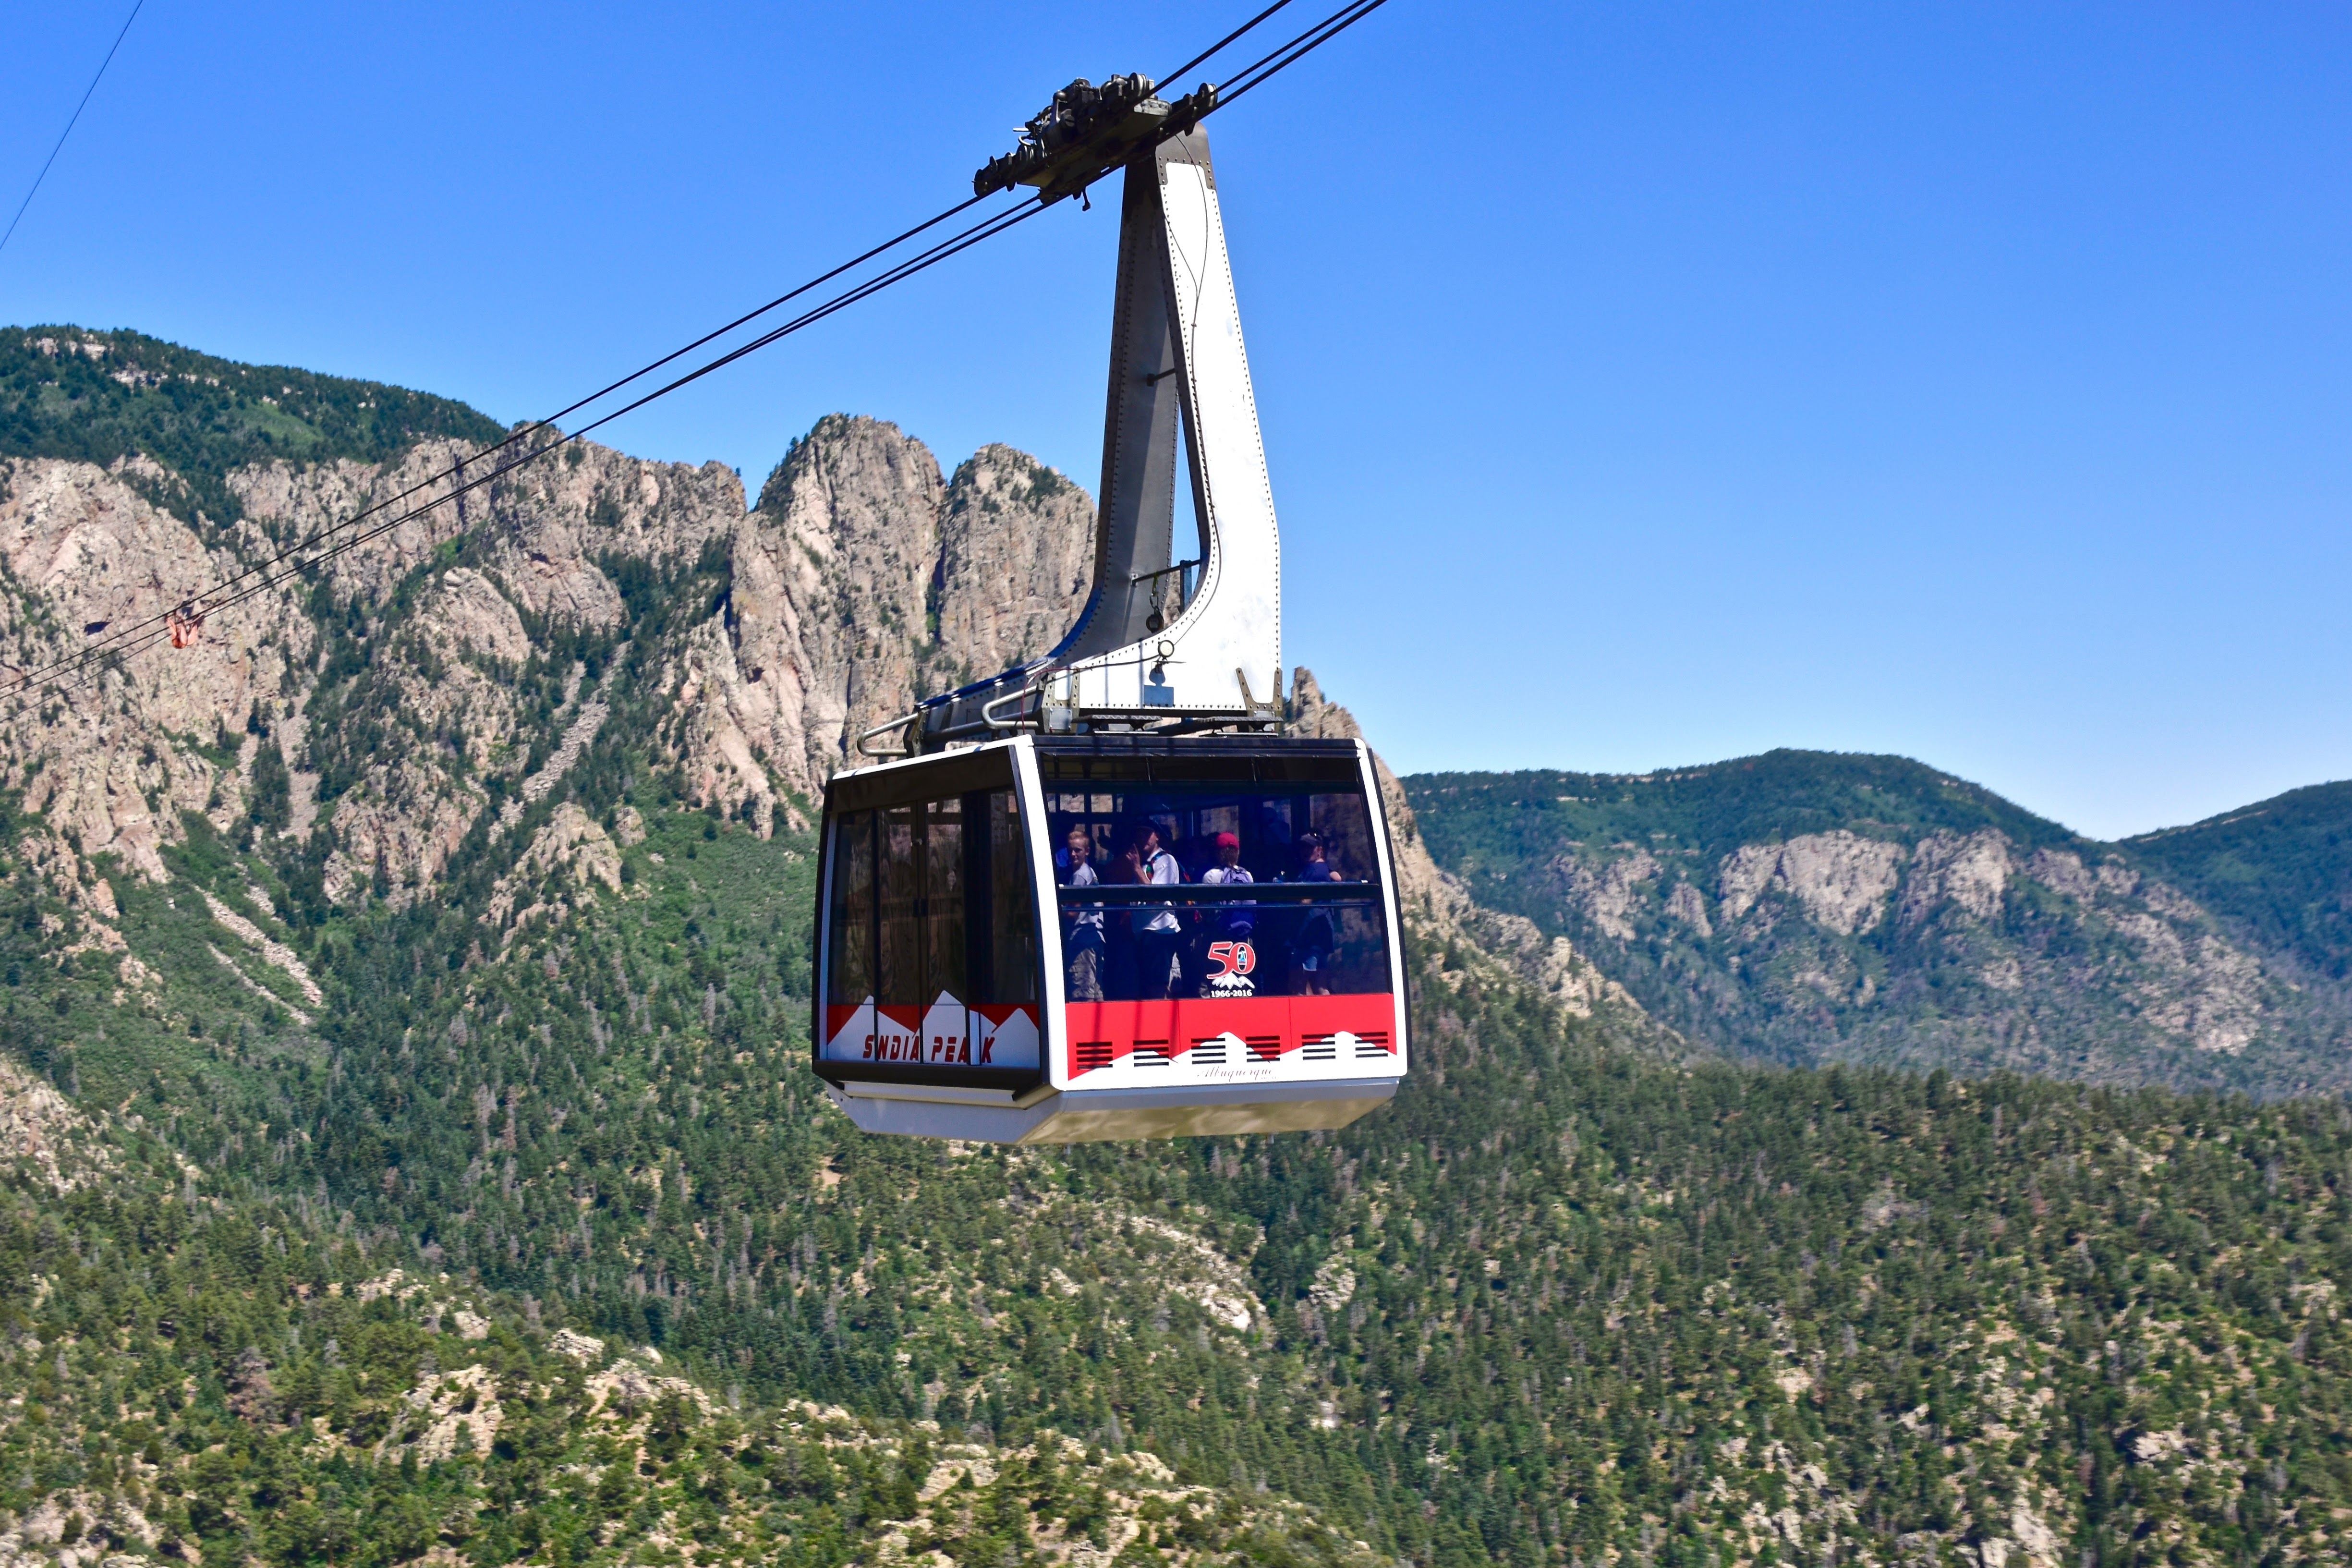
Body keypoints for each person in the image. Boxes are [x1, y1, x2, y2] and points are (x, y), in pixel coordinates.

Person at [1118, 819, 1183, 999]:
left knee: (1159, 985)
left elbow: (1156, 896)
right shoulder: (1143, 862)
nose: (1143, 838)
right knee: (1147, 985)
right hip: (1143, 932)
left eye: (1147, 834)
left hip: (1160, 933)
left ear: (1157, 837)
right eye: (1139, 835)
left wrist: (1137, 868)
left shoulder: (1166, 861)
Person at [1196, 829, 1257, 996]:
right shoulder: (1248, 875)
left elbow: (1203, 908)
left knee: (1210, 980)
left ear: (1217, 852)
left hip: (1217, 938)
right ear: (1237, 852)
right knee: (1240, 981)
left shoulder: (1210, 876)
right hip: (1243, 937)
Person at [1282, 832, 1344, 995]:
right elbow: (1337, 878)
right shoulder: (1322, 870)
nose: (1305, 851)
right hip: (1320, 937)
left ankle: (1304, 1018)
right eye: (1303, 847)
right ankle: (1326, 1017)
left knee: (1299, 985)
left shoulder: (1315, 872)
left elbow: (1305, 901)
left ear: (1319, 850)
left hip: (1309, 937)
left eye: (1309, 848)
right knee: (1320, 986)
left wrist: (1284, 891)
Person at [1055, 824, 1105, 1002]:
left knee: (1082, 994)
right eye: (1070, 850)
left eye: (1078, 850)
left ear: (1088, 851)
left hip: (1083, 939)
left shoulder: (1080, 876)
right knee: (1095, 992)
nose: (1073, 855)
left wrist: (1054, 907)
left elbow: (1072, 913)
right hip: (1094, 939)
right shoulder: (1089, 872)